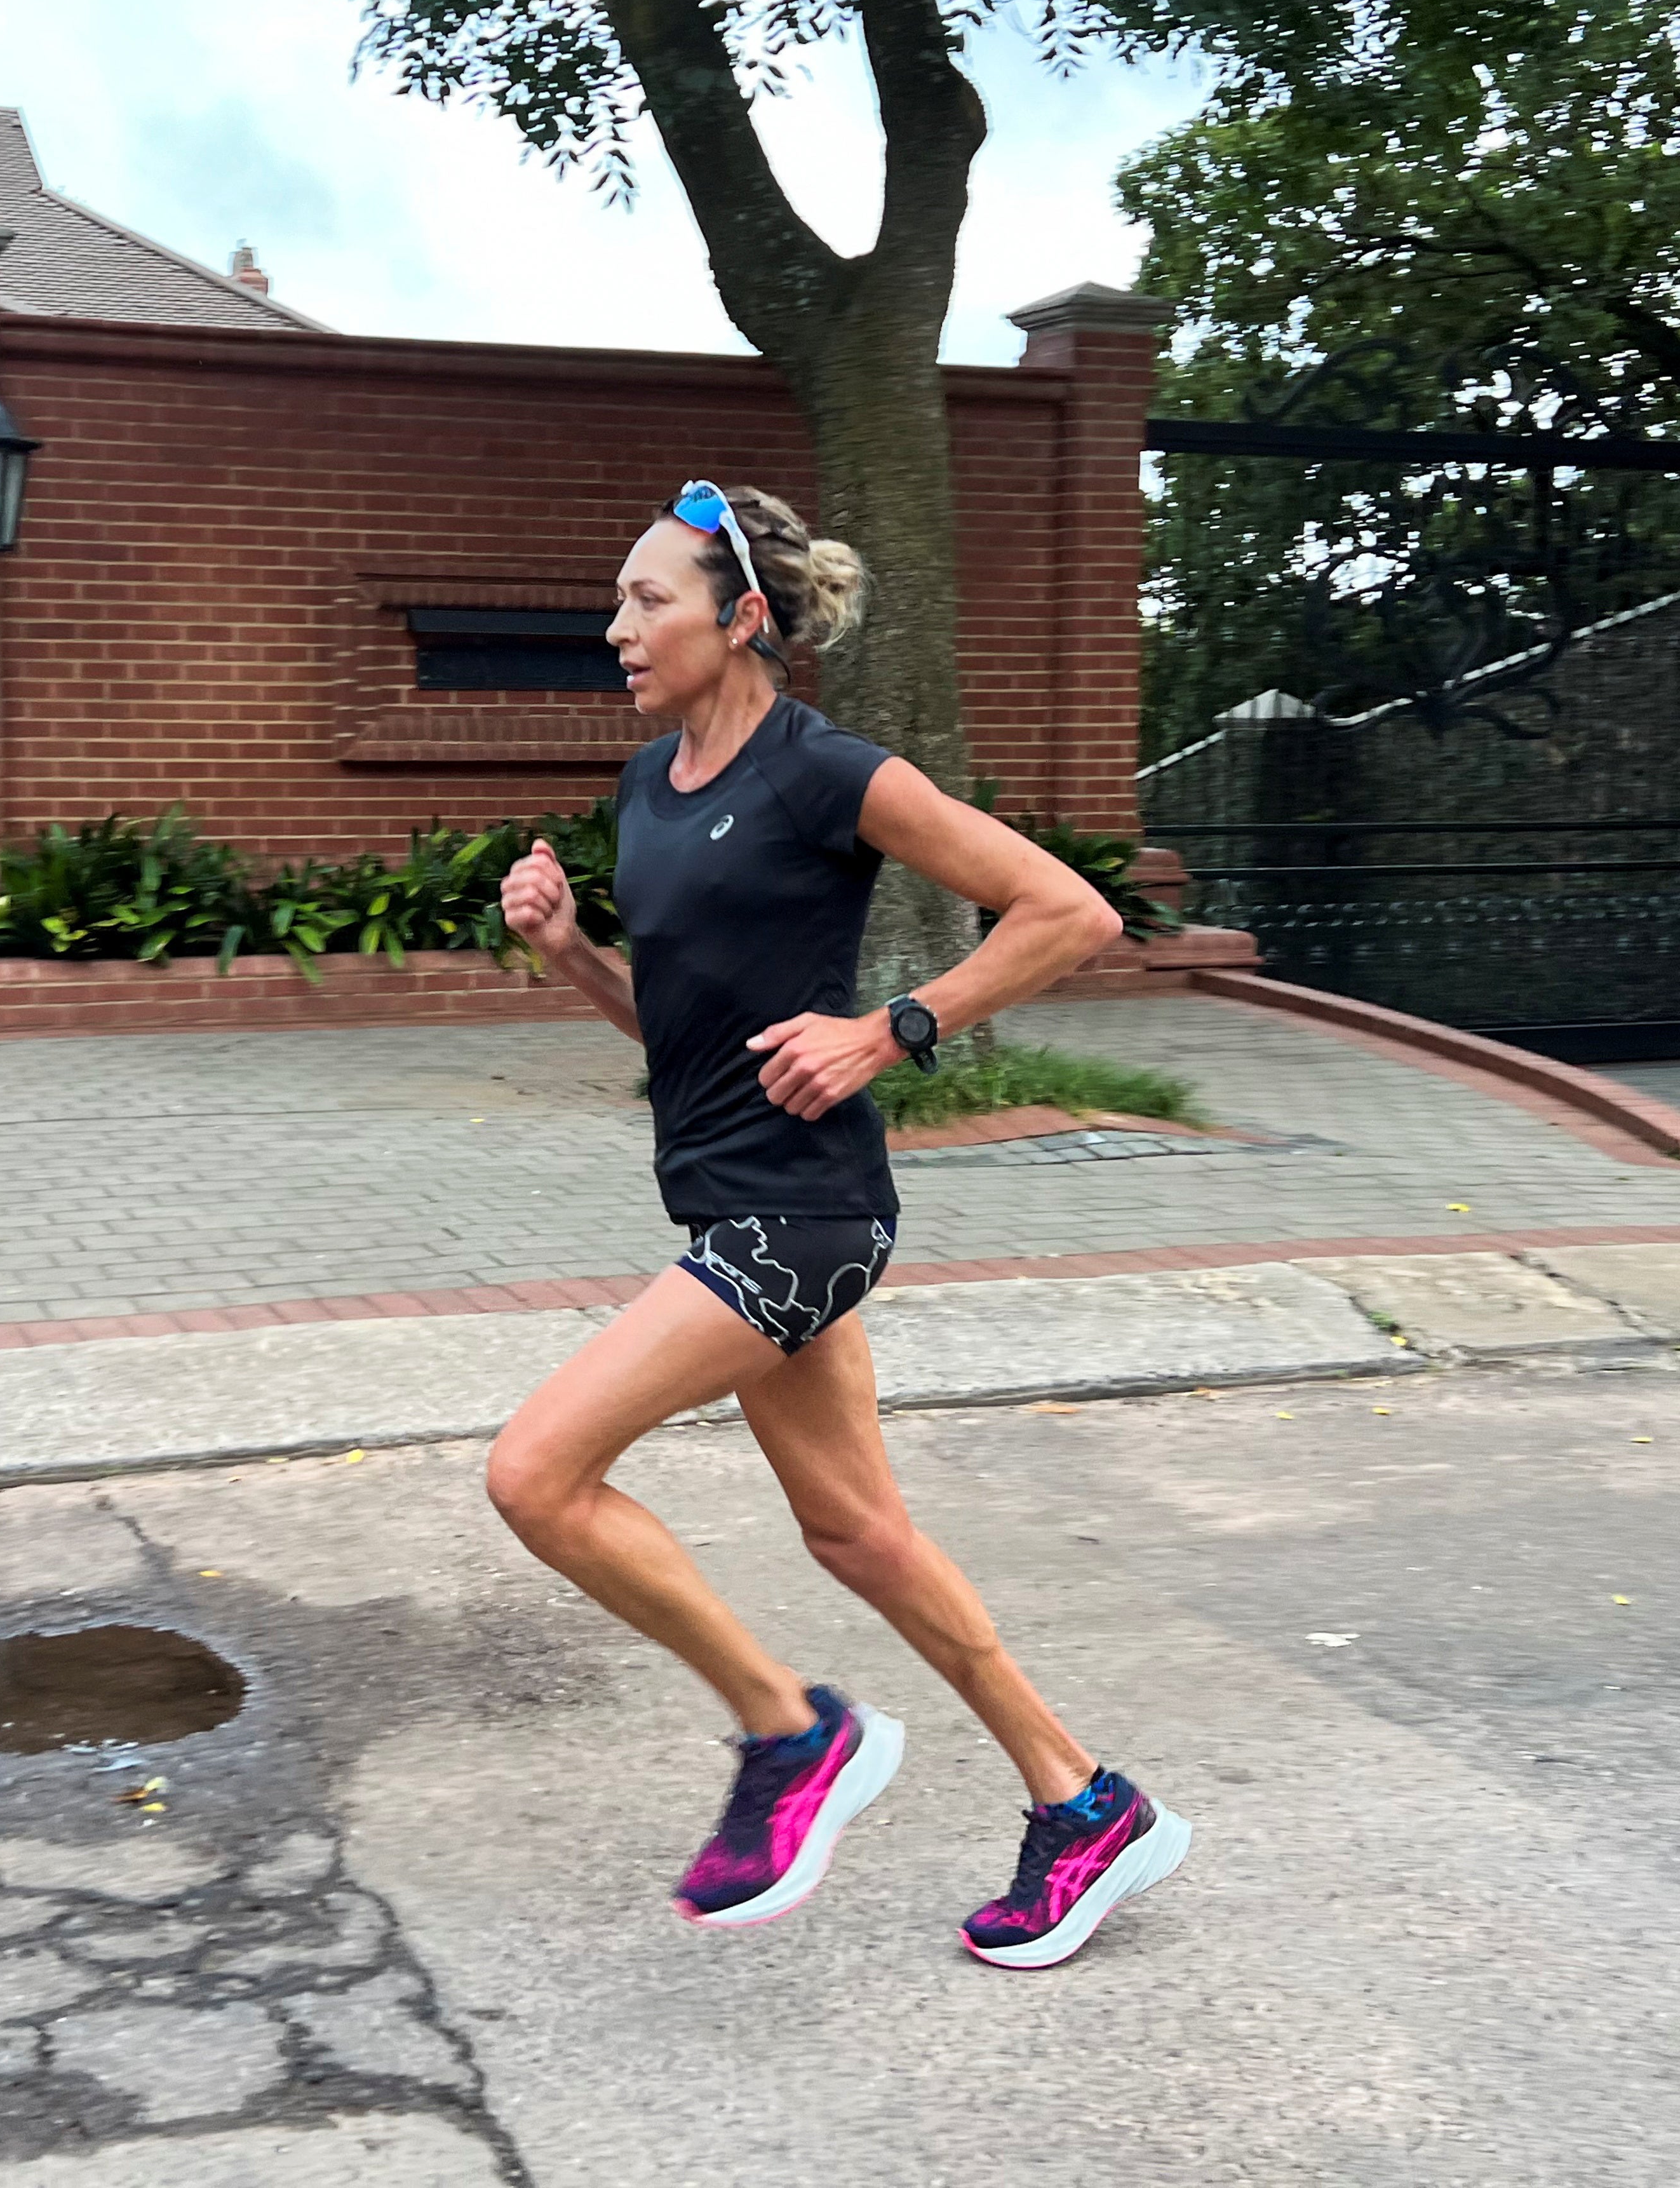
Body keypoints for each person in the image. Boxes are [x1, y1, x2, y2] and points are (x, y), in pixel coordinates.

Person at [486, 478, 1190, 1968]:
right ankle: (1085, 1805)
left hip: (799, 1217)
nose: (616, 626)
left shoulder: (827, 772)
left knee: (537, 1473)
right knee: (859, 1534)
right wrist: (566, 951)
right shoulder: (646, 788)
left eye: (647, 599)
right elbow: (675, 1037)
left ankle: (787, 1732)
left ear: (741, 616)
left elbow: (1066, 910)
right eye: (617, 601)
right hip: (733, 1195)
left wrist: (892, 1029)